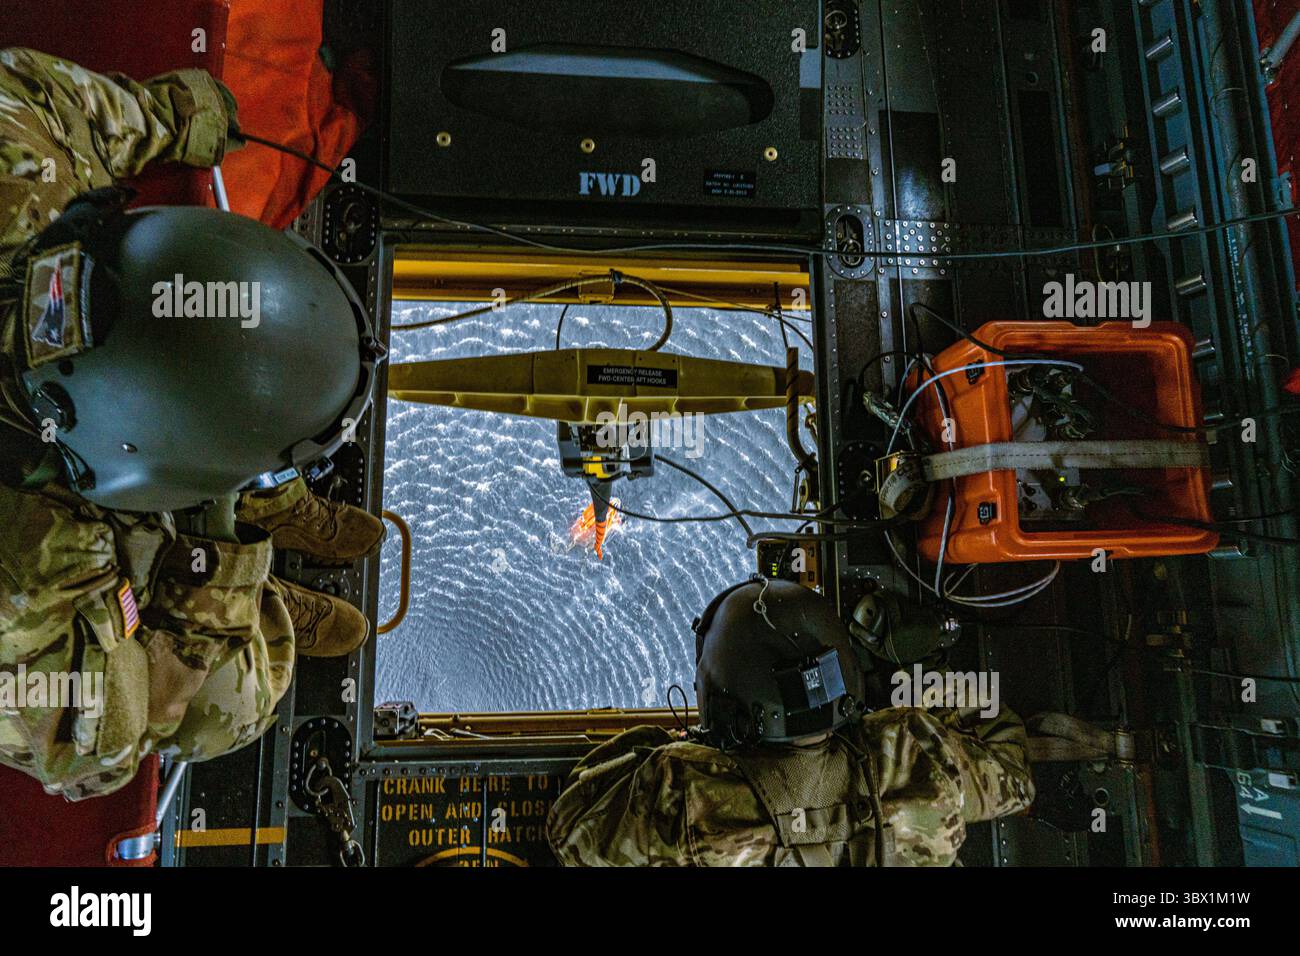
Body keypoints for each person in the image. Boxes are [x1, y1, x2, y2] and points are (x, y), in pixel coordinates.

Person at [0, 48, 383, 800]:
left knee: (213, 395)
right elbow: (96, 752)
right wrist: (220, 560)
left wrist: (176, 114)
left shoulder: (24, 152)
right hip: (50, 524)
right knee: (231, 705)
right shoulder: (31, 590)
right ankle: (267, 593)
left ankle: (270, 507)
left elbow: (44, 99)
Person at [547, 578, 1035, 866]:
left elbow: (569, 828)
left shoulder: (684, 791)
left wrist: (667, 744)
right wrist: (925, 692)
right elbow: (1015, 773)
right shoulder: (915, 752)